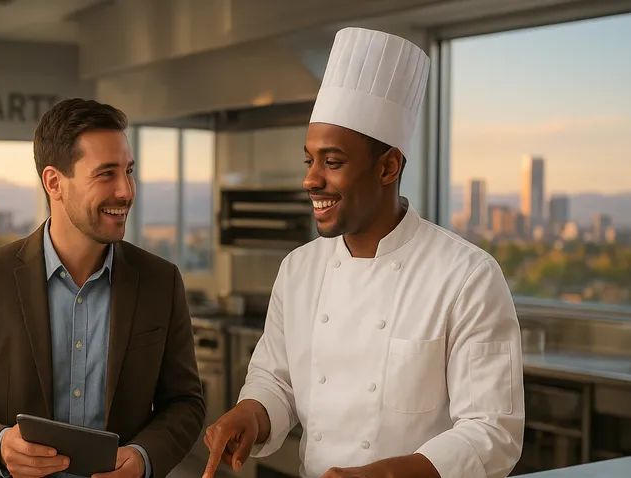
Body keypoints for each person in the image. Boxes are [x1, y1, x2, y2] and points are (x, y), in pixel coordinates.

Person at [202, 27, 525, 478]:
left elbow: (492, 432)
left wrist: (387, 475)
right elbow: (277, 380)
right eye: (309, 160)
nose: (311, 179)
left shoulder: (467, 276)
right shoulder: (298, 270)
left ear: (388, 166)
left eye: (332, 162)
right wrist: (252, 415)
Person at [0, 98, 206, 478]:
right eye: (106, 174)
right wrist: (0, 445)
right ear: (54, 182)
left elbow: (185, 402)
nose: (126, 191)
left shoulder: (160, 282)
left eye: (129, 171)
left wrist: (143, 457)